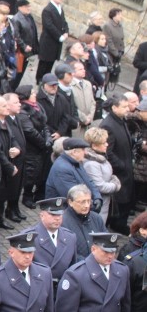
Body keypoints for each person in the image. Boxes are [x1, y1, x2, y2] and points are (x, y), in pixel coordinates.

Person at [100, 94, 135, 234]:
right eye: (124, 106)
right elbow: (108, 151)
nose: (128, 109)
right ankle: (115, 225)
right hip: (118, 171)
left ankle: (119, 224)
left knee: (126, 199)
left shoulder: (121, 120)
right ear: (114, 108)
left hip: (125, 168)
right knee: (119, 201)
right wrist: (122, 165)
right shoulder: (108, 125)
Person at [45, 138, 101, 208]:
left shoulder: (76, 161)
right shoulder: (62, 169)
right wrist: (92, 205)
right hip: (63, 212)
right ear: (74, 152)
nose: (86, 153)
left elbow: (89, 181)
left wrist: (97, 198)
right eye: (83, 150)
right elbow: (73, 196)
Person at [82, 127, 121, 223]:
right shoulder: (91, 164)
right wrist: (115, 185)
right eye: (104, 143)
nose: (107, 144)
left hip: (104, 205)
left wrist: (112, 178)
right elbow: (99, 186)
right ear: (94, 146)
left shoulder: (100, 157)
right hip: (98, 206)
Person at [37, 0, 69, 81]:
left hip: (56, 42)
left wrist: (66, 31)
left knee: (51, 61)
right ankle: (40, 79)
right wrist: (60, 36)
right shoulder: (47, 10)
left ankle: (46, 79)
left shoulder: (60, 8)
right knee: (44, 62)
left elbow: (64, 22)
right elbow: (48, 25)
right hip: (48, 41)